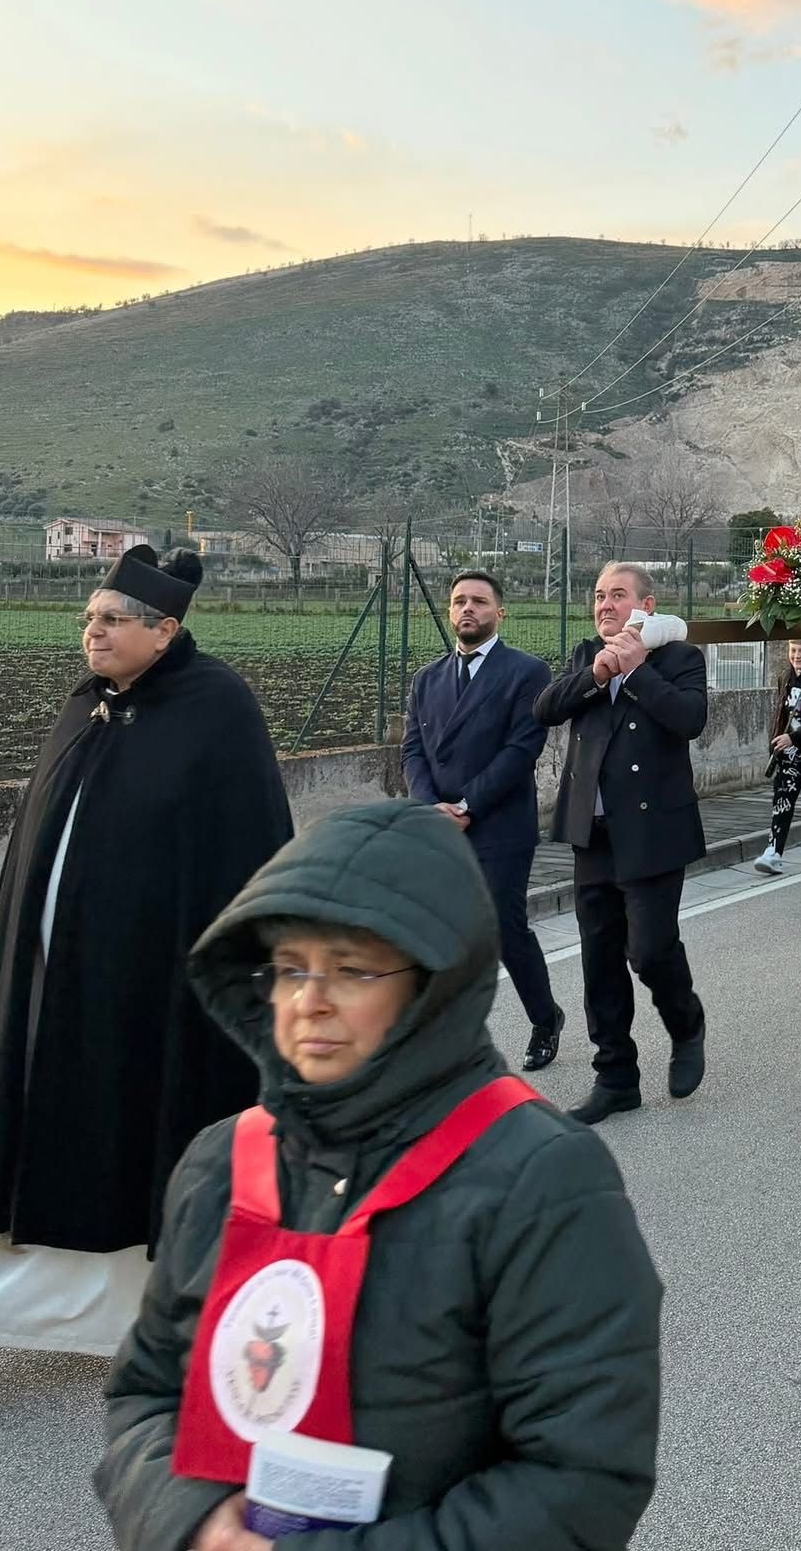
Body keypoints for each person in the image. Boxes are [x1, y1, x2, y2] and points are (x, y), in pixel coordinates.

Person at [94, 800, 661, 1551]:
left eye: (352, 970)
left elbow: (581, 1481)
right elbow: (148, 1391)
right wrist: (192, 1524)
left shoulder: (543, 1177)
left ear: (433, 984)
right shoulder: (223, 1161)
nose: (309, 1002)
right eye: (290, 967)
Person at [0, 546, 291, 1403]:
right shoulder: (87, 709)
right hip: (45, 989)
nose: (89, 631)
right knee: (12, 1151)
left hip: (144, 998)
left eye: (110, 619)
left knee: (144, 1158)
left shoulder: (218, 712)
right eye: (88, 617)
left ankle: (168, 1330)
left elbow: (250, 855)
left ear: (165, 631)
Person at [534, 564, 708, 1125]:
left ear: (646, 606)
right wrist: (598, 673)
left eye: (617, 595)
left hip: (655, 830)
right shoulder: (587, 653)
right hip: (594, 834)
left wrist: (634, 672)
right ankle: (615, 1076)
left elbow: (690, 719)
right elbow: (547, 708)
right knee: (600, 956)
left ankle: (685, 1023)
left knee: (650, 950)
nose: (604, 605)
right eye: (598, 595)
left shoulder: (679, 657)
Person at [401, 570, 564, 1072]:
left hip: (499, 824)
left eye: (478, 601)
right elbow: (412, 750)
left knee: (502, 926)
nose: (466, 609)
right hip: (440, 826)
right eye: (458, 602)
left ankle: (544, 1017)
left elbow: (521, 750)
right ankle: (447, 1038)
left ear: (499, 612)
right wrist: (430, 806)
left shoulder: (526, 672)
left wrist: (468, 806)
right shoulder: (426, 680)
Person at [755, 640, 801, 875]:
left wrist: (797, 736)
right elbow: (780, 712)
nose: (797, 656)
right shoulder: (785, 677)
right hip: (789, 755)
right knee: (782, 802)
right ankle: (774, 851)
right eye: (793, 650)